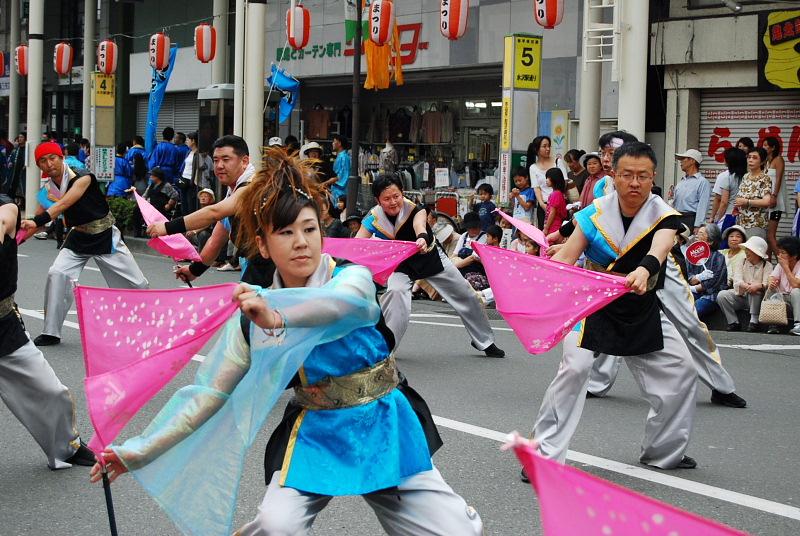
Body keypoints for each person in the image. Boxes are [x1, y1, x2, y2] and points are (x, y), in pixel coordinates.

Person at [89, 151, 483, 535]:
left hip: (385, 423)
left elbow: (346, 307)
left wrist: (277, 315)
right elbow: (207, 393)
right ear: (262, 245)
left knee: (457, 532)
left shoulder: (352, 279)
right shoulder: (252, 315)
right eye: (286, 232)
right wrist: (139, 451)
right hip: (316, 432)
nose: (301, 242)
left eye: (310, 229)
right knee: (278, 526)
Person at [529, 141, 698, 476]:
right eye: (627, 175)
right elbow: (568, 254)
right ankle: (543, 455)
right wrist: (540, 272)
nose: (634, 183)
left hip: (641, 305)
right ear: (614, 176)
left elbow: (662, 246)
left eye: (643, 176)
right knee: (574, 370)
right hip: (593, 305)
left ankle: (663, 451)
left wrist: (645, 269)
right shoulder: (595, 213)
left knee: (682, 370)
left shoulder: (662, 213)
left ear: (653, 179)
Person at [356, 174, 505, 358]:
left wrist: (421, 238)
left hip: (430, 255)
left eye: (396, 196)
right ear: (378, 200)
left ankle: (485, 341)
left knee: (466, 294)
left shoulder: (414, 209)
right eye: (387, 199)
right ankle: (385, 349)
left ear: (402, 193)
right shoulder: (373, 218)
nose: (393, 202)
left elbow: (420, 226)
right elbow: (357, 244)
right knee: (395, 295)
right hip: (401, 264)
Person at [19, 142, 149, 346]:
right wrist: (14, 241)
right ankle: (51, 332)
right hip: (78, 236)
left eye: (52, 158)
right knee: (57, 274)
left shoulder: (82, 177)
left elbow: (63, 204)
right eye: (43, 161)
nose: (49, 163)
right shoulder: (48, 190)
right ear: (39, 166)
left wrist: (37, 221)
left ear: (61, 158)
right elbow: (34, 223)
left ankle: (146, 322)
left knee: (137, 284)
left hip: (104, 235)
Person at [0, 196, 96, 470]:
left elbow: (5, 220)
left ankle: (67, 448)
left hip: (4, 327)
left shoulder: (5, 206)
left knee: (52, 392)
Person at [147, 135, 274, 287]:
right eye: (215, 160)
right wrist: (194, 270)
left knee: (251, 306)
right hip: (257, 267)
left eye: (226, 159)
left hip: (276, 268)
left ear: (244, 161)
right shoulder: (232, 191)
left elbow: (214, 212)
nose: (219, 165)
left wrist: (167, 227)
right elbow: (216, 239)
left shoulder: (252, 186)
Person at [716, 236, 771, 332]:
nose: (746, 251)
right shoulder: (741, 262)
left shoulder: (767, 265)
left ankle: (754, 321)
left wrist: (757, 286)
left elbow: (767, 283)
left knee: (755, 291)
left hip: (759, 300)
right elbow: (737, 280)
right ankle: (733, 322)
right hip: (741, 295)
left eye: (749, 249)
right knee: (722, 295)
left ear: (757, 253)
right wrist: (747, 286)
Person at [527, 136, 568, 229]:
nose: (548, 149)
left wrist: (556, 197)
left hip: (558, 204)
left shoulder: (557, 162)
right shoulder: (533, 167)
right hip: (544, 205)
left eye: (549, 146)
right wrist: (542, 204)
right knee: (544, 232)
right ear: (537, 149)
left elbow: (565, 181)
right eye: (544, 146)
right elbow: (536, 187)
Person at [687, 224, 727, 318]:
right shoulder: (691, 256)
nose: (697, 235)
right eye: (697, 233)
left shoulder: (718, 257)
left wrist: (695, 287)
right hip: (693, 291)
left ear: (710, 241)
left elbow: (714, 282)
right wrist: (698, 277)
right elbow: (688, 276)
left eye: (701, 233)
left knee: (695, 309)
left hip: (711, 295)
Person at [734, 148, 773, 240]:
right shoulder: (745, 176)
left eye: (755, 158)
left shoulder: (765, 178)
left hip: (756, 223)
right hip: (741, 223)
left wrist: (747, 202)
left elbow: (767, 201)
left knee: (752, 253)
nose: (750, 160)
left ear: (762, 162)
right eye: (749, 157)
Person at [766, 236, 800, 335]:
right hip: (783, 301)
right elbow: (771, 277)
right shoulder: (780, 264)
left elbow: (795, 284)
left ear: (794, 255)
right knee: (771, 289)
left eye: (783, 253)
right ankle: (773, 324)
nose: (779, 255)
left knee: (796, 291)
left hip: (796, 302)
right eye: (779, 252)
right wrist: (771, 282)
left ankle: (798, 324)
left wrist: (785, 267)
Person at [708, 148, 746, 233]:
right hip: (744, 215)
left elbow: (723, 202)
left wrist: (717, 219)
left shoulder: (726, 176)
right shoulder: (747, 176)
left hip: (729, 215)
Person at [671, 149, 710, 233]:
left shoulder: (702, 182)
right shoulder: (681, 181)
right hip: (677, 218)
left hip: (690, 219)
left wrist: (698, 226)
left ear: (692, 161)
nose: (680, 162)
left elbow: (703, 205)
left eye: (683, 159)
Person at [450, 211, 488, 291]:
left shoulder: (484, 237)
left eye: (476, 227)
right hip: (461, 265)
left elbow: (473, 258)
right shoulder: (464, 236)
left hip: (475, 268)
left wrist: (454, 267)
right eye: (472, 228)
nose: (475, 230)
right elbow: (455, 254)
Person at [763, 136, 786, 261]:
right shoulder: (766, 161)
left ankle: (783, 263)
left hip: (775, 202)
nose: (764, 147)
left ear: (773, 147)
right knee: (767, 236)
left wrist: (774, 195)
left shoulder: (779, 160)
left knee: (770, 235)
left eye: (767, 145)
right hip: (767, 202)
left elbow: (778, 179)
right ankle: (768, 263)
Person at [324, 134, 351, 202]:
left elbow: (342, 176)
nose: (332, 143)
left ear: (339, 143)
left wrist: (326, 183)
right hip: (336, 191)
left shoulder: (344, 157)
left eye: (334, 141)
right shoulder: (340, 156)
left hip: (340, 192)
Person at [543, 168, 568, 235]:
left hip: (553, 226)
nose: (546, 180)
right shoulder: (557, 193)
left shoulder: (556, 194)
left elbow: (552, 212)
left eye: (548, 177)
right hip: (553, 225)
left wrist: (546, 228)